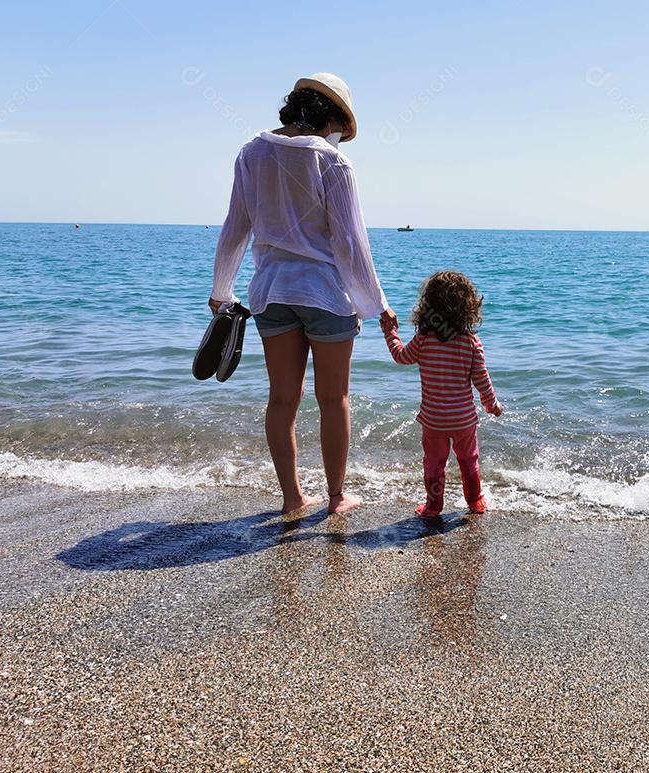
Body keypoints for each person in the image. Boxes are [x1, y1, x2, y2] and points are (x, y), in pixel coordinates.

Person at [209, 73, 394, 515]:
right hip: (327, 294)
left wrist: (221, 288)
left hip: (271, 292)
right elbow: (350, 244)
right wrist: (376, 304)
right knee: (334, 400)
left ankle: (292, 498)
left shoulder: (251, 154)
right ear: (330, 117)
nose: (338, 140)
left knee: (281, 399)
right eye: (339, 130)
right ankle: (335, 498)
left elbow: (236, 227)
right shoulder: (332, 163)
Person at [380, 271, 504, 517]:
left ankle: (433, 506)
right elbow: (482, 379)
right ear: (467, 307)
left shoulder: (425, 339)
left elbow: (401, 356)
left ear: (428, 305)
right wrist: (492, 405)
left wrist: (390, 332)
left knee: (434, 464)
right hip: (463, 419)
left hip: (434, 419)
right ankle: (476, 502)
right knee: (469, 460)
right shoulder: (471, 342)